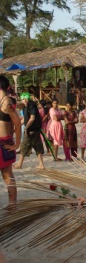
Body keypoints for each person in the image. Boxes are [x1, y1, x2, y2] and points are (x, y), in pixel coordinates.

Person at [0, 76, 21, 207]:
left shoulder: (6, 102)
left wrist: (17, 144)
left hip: (4, 144)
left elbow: (17, 123)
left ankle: (12, 207)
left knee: (8, 177)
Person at [13, 93, 45, 170]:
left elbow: (32, 118)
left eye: (24, 99)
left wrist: (26, 128)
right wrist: (17, 126)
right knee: (37, 146)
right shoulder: (26, 107)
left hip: (32, 130)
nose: (23, 101)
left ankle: (20, 164)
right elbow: (25, 118)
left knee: (24, 146)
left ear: (27, 99)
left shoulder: (32, 106)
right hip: (33, 130)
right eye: (22, 99)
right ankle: (41, 164)